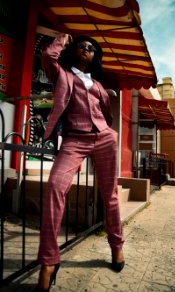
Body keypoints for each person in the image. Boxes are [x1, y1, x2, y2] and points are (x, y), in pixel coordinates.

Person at [33, 33, 125, 291]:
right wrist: (63, 38)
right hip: (74, 139)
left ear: (95, 57)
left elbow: (105, 112)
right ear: (74, 50)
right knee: (54, 187)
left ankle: (117, 246)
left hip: (104, 138)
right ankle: (49, 262)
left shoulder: (96, 83)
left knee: (111, 195)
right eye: (82, 46)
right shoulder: (61, 74)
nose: (87, 49)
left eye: (91, 48)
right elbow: (47, 56)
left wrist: (108, 130)